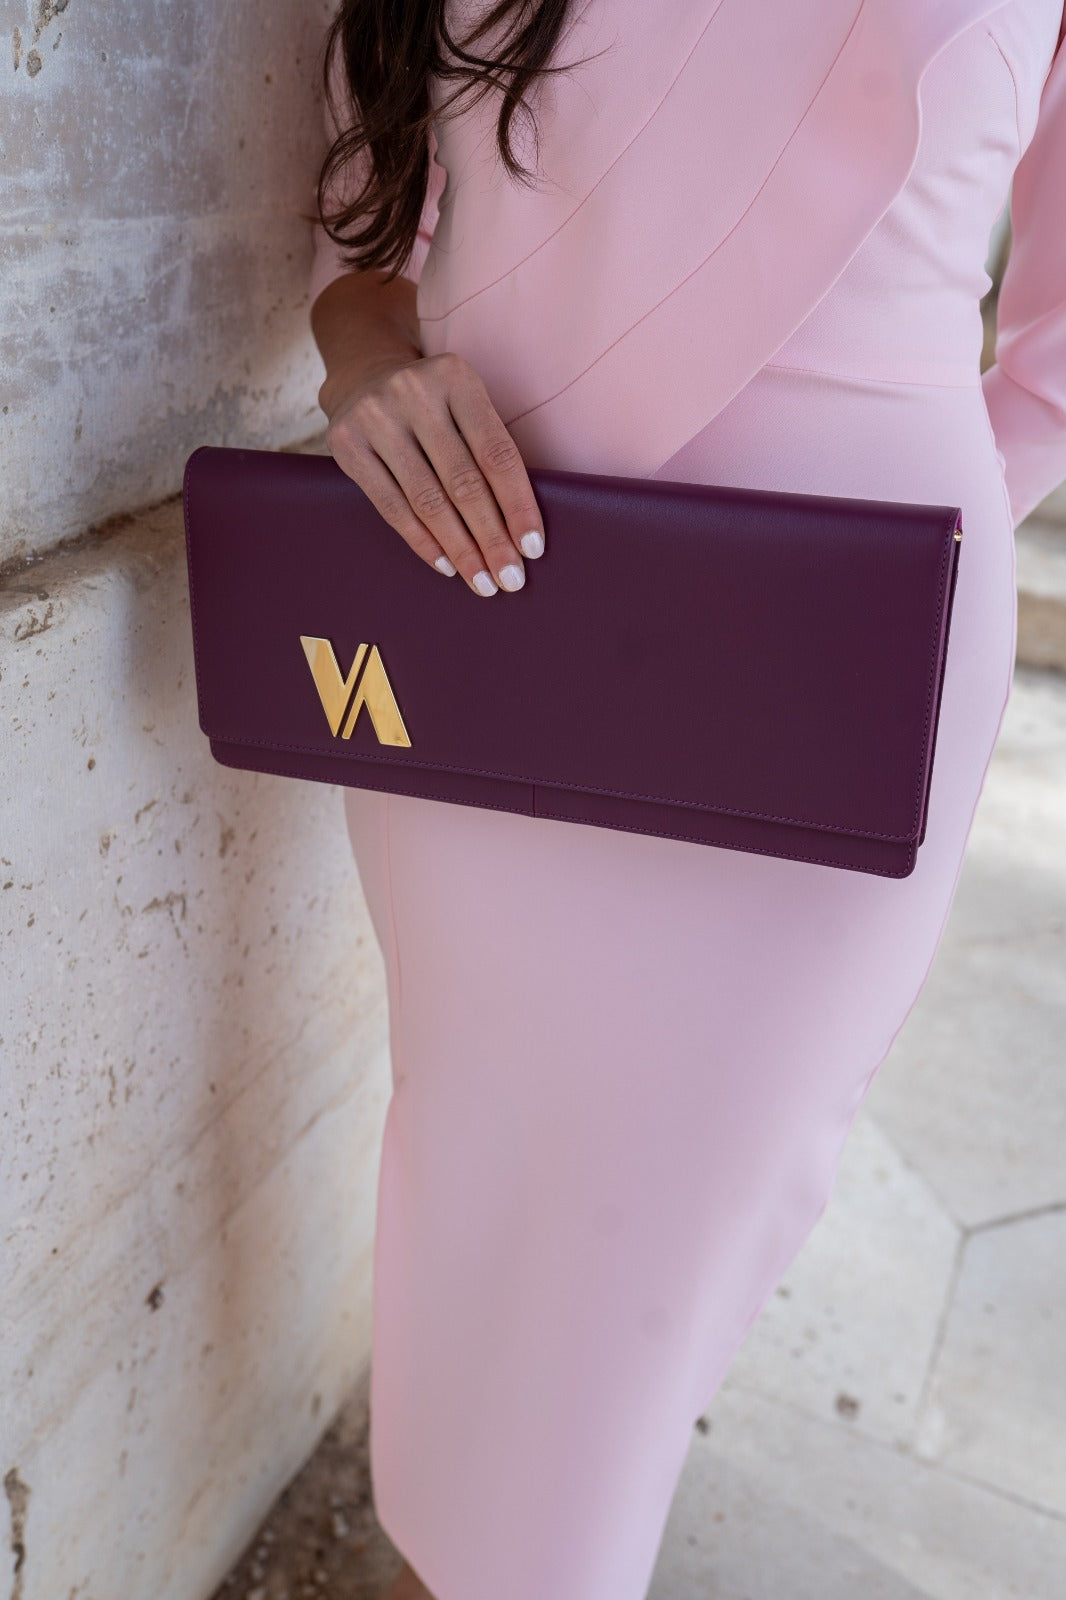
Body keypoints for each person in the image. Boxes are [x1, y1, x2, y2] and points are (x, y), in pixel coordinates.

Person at [307, 4, 1066, 1598]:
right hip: (486, 603)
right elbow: (363, 245)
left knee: (658, 1252)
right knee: (484, 1181)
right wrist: (367, 366)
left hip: (839, 676)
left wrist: (876, 576)